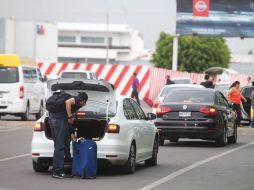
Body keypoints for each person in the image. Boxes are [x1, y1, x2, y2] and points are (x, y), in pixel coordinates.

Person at [49, 92, 88, 179]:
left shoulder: (71, 104)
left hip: (52, 119)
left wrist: (71, 132)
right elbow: (68, 102)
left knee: (58, 146)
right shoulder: (76, 100)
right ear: (83, 101)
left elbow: (67, 121)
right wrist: (70, 117)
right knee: (60, 146)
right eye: (84, 103)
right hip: (58, 120)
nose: (83, 105)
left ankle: (56, 169)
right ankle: (57, 172)